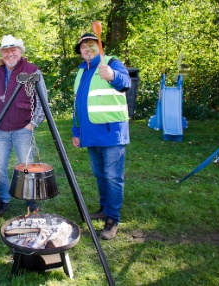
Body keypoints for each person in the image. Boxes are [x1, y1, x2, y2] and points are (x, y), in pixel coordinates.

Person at [71, 32, 131, 240]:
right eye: (83, 47)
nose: (87, 49)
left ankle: (113, 218)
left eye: (91, 45)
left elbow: (125, 83)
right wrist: (76, 131)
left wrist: (112, 76)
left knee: (113, 177)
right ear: (80, 52)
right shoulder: (82, 71)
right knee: (100, 176)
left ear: (99, 46)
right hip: (90, 134)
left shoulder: (112, 62)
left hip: (111, 134)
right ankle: (105, 209)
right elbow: (77, 105)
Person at [0, 35, 48, 215]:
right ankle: (4, 199)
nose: (10, 54)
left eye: (13, 50)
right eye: (6, 51)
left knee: (27, 167)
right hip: (0, 129)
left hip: (23, 128)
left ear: (20, 51)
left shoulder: (32, 71)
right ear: (1, 54)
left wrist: (32, 124)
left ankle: (32, 201)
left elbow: (42, 101)